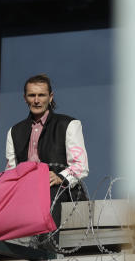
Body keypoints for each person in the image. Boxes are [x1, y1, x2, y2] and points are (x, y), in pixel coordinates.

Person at [5, 74, 89, 228]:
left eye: (41, 95)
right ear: (25, 98)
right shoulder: (14, 132)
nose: (36, 100)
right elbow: (11, 170)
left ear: (50, 97)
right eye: (32, 95)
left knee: (48, 199)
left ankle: (49, 250)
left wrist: (59, 177)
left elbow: (81, 165)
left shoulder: (69, 125)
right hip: (27, 195)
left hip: (61, 195)